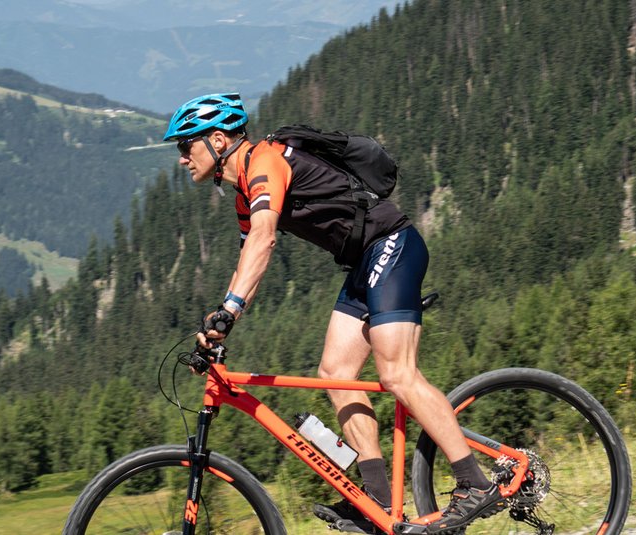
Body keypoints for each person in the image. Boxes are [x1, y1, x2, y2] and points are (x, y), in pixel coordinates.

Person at [165, 93, 501, 534]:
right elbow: (250, 255)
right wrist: (222, 321)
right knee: (335, 371)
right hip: (365, 260)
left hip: (393, 246)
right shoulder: (244, 194)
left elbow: (265, 239)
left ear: (217, 139)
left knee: (397, 373)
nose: (182, 159)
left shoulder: (265, 161)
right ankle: (377, 499)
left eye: (185, 146)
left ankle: (475, 483)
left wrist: (231, 310)